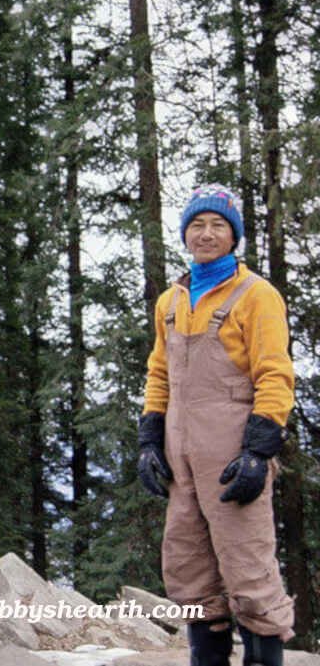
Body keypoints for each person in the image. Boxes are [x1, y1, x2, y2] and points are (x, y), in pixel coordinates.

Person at [138, 186, 294, 666]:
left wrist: (258, 451)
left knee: (248, 568)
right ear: (185, 233)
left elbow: (275, 373)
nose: (206, 234)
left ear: (234, 237)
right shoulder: (171, 300)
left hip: (233, 457)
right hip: (181, 459)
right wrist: (149, 439)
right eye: (197, 225)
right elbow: (159, 373)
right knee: (189, 569)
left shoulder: (256, 296)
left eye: (218, 226)